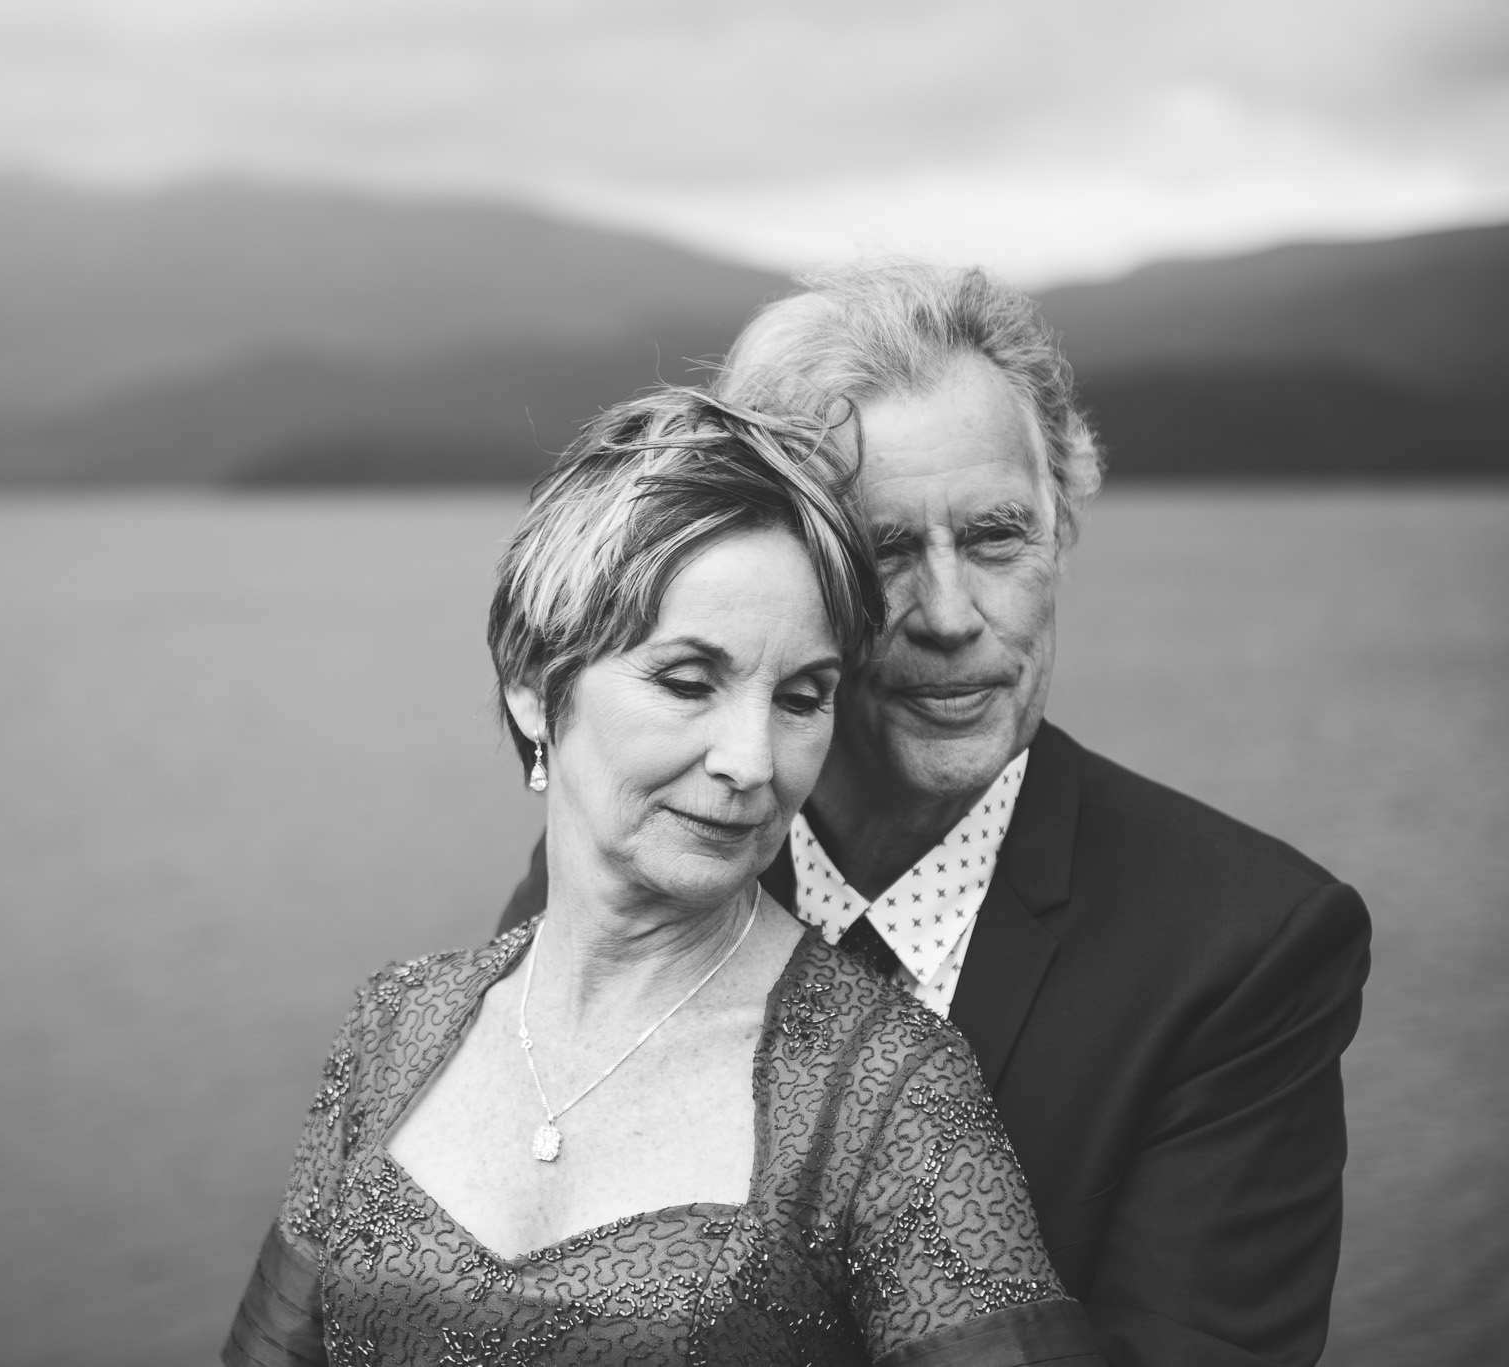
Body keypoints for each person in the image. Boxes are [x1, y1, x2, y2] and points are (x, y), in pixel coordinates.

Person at [497, 264, 1372, 1366]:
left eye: (997, 536)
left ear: (1059, 540)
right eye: (887, 551)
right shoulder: (649, 853)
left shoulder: (1246, 946)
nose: (953, 615)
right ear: (788, 574)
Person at [225, 388, 1105, 1365]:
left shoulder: (889, 1094)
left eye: (800, 696)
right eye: (688, 681)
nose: (751, 759)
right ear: (531, 680)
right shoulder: (393, 1028)